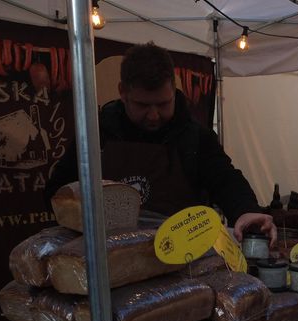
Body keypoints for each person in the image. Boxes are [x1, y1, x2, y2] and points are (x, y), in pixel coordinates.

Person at [45, 42, 276, 245]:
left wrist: (246, 211)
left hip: (181, 262)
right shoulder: (97, 133)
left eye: (163, 104)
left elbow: (225, 179)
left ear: (174, 92)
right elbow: (59, 191)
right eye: (143, 105)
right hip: (113, 262)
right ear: (123, 93)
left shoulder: (194, 135)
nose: (154, 115)